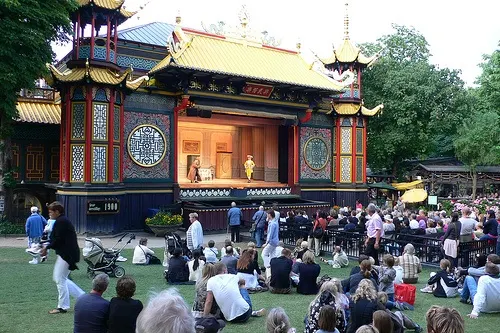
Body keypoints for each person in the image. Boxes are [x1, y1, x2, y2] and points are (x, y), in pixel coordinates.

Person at [41, 201, 85, 314]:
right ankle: (83, 298)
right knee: (61, 278)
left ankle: (63, 307)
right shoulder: (61, 221)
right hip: (67, 254)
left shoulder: (61, 222)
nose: (50, 214)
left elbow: (58, 239)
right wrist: (47, 246)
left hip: (67, 255)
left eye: (51, 212)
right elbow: (56, 239)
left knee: (60, 279)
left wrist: (46, 247)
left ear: (57, 211)